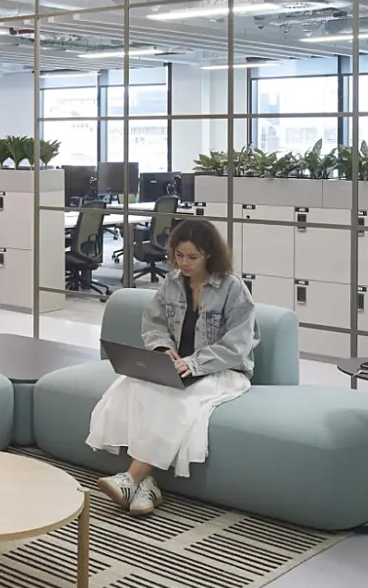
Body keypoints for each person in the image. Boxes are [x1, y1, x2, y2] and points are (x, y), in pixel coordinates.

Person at [87, 218, 258, 517]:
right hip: (178, 366)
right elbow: (153, 324)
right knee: (132, 385)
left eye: (192, 257)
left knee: (177, 398)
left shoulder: (233, 288)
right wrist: (165, 352)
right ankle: (147, 486)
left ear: (209, 254)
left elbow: (237, 346)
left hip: (222, 371)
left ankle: (131, 478)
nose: (184, 263)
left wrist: (192, 363)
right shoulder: (172, 282)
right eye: (179, 255)